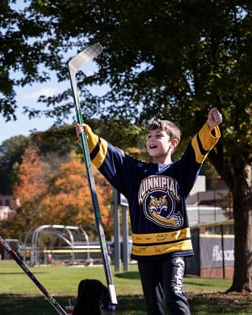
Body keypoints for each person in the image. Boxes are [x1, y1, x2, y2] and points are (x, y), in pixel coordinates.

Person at [75, 108, 223, 314]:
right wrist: (88, 136)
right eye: (149, 136)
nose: (151, 139)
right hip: (145, 250)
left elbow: (196, 152)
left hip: (174, 247)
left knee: (174, 294)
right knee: (153, 306)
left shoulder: (180, 171)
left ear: (173, 143)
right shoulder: (135, 173)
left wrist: (210, 127)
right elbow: (113, 157)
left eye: (158, 136)